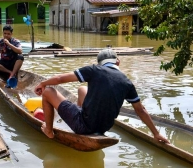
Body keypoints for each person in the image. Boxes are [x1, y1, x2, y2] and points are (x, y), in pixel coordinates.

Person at [34, 48, 170, 144]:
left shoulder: (94, 70)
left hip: (83, 126)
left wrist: (43, 83)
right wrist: (156, 133)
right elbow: (141, 110)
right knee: (82, 89)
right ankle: (80, 114)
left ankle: (49, 131)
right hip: (103, 128)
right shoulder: (127, 82)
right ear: (118, 62)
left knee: (48, 92)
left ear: (100, 63)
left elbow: (59, 79)